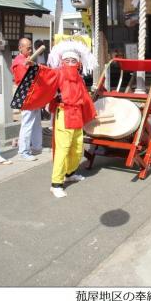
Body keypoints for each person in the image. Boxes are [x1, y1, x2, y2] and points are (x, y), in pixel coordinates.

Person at [12, 37, 97, 198]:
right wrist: (35, 66)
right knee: (63, 149)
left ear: (78, 63)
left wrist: (91, 112)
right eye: (67, 60)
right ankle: (56, 183)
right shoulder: (58, 73)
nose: (71, 62)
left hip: (77, 115)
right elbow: (45, 74)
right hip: (64, 113)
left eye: (74, 60)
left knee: (77, 148)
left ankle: (70, 173)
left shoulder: (79, 78)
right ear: (62, 61)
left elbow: (84, 97)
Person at [12, 37, 42, 161]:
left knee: (36, 122)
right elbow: (24, 79)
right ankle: (23, 150)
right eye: (28, 48)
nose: (30, 50)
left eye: (31, 48)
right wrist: (32, 66)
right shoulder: (19, 62)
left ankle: (36, 146)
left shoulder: (26, 60)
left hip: (33, 95)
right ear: (20, 48)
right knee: (27, 123)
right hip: (26, 95)